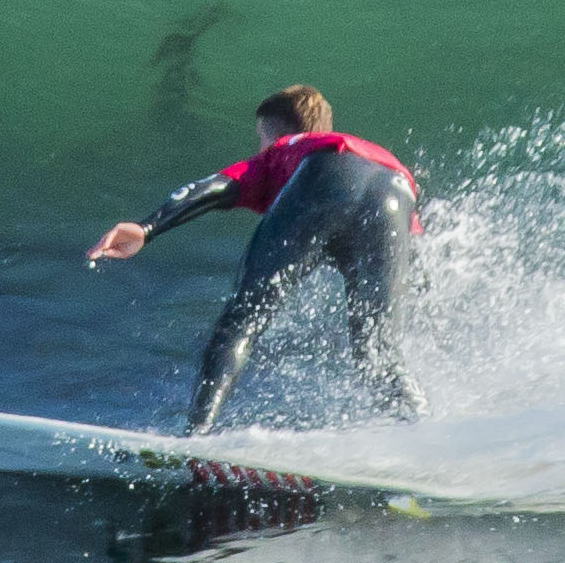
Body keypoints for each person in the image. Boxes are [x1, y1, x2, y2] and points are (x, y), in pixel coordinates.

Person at [88, 84, 423, 434]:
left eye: (259, 138)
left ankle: (197, 433)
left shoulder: (284, 150)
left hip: (325, 174)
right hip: (397, 192)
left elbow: (213, 187)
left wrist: (147, 228)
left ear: (275, 134)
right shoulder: (372, 155)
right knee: (378, 351)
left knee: (240, 322)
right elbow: (411, 257)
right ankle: (419, 434)